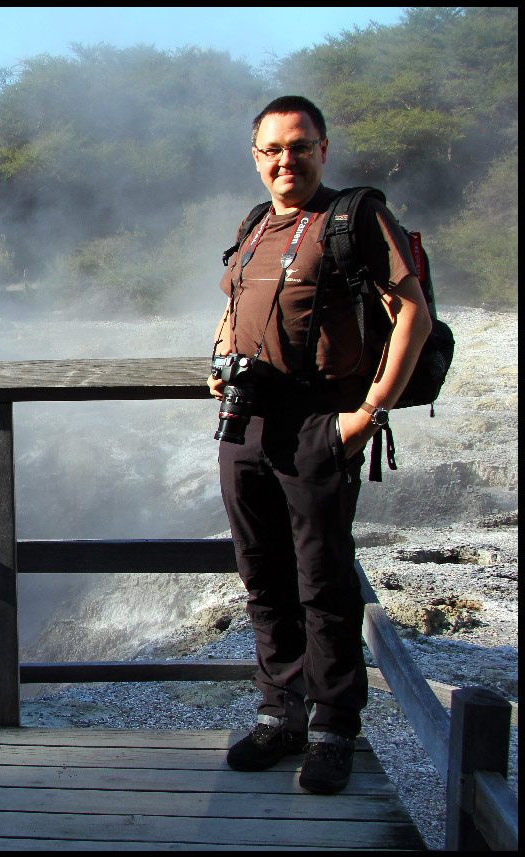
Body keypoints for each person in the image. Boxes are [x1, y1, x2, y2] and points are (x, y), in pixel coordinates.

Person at [208, 95, 432, 794]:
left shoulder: (355, 216)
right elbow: (230, 304)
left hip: (319, 422)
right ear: (255, 157)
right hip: (245, 426)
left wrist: (367, 411)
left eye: (299, 146)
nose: (286, 160)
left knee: (323, 582)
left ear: (324, 149)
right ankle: (281, 714)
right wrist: (216, 361)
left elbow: (413, 312)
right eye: (272, 149)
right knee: (264, 580)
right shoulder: (253, 225)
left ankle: (335, 725)